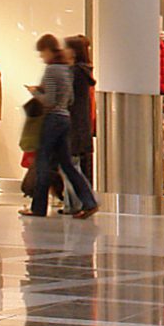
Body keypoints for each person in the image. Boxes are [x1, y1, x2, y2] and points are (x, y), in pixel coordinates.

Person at [24, 35, 97, 219]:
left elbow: (48, 101)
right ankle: (89, 201)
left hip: (53, 119)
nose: (42, 57)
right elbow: (70, 98)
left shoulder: (52, 71)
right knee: (67, 164)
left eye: (42, 53)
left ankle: (38, 208)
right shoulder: (67, 70)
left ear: (48, 50)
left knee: (43, 163)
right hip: (65, 118)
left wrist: (35, 93)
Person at [65, 36, 96, 190]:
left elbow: (68, 99)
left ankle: (82, 201)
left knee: (71, 165)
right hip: (81, 125)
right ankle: (79, 202)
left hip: (74, 124)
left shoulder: (75, 73)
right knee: (74, 165)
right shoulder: (83, 72)